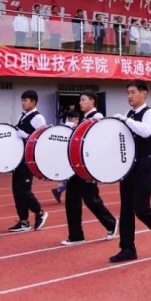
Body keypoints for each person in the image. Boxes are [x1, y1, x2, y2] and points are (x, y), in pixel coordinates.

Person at [110, 79, 151, 263]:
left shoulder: (150, 113)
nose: (129, 96)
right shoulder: (129, 113)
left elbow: (146, 131)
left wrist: (125, 120)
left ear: (143, 94)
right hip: (128, 166)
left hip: (144, 165)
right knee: (126, 209)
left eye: (133, 92)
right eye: (128, 93)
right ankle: (127, 248)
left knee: (142, 208)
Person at [62, 100, 119, 246]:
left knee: (92, 200)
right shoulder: (84, 118)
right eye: (79, 100)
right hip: (78, 166)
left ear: (92, 101)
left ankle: (111, 223)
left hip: (88, 166)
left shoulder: (97, 117)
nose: (80, 102)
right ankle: (76, 235)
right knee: (72, 201)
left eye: (83, 100)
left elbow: (97, 140)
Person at [10, 90, 49, 232]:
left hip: (28, 159)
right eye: (22, 100)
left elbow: (40, 139)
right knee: (16, 191)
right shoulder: (22, 116)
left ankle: (40, 212)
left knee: (24, 190)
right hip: (18, 159)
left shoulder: (39, 118)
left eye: (26, 100)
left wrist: (26, 135)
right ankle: (23, 221)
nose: (23, 103)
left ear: (33, 102)